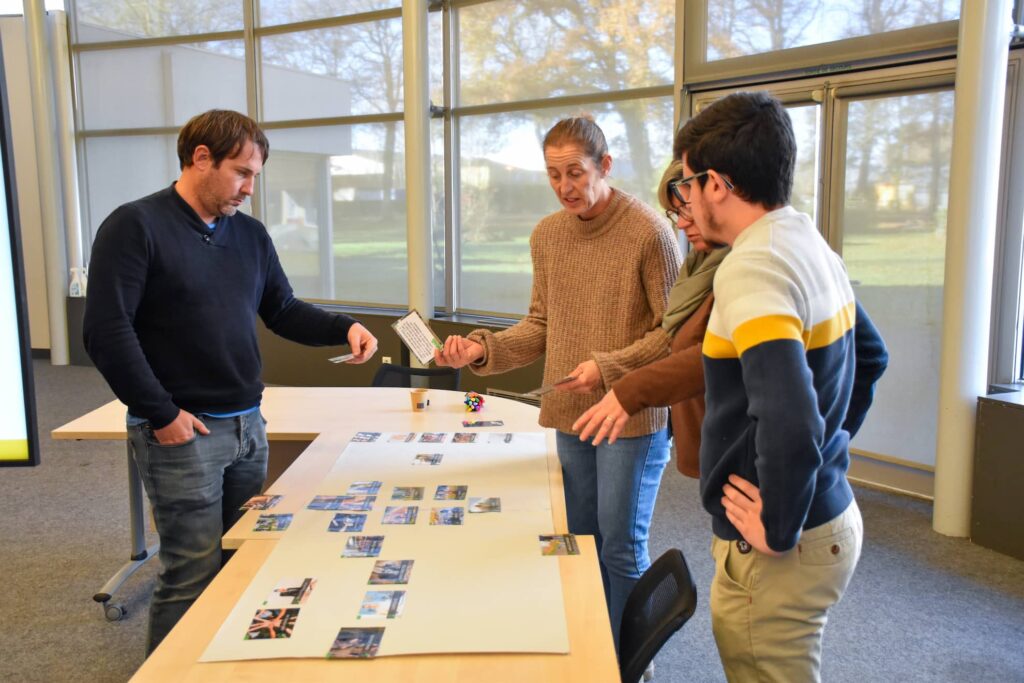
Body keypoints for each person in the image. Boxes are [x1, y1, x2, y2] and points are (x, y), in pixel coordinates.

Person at [83, 109, 378, 654]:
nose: (249, 188)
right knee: (191, 575)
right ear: (201, 158)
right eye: (241, 173)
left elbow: (283, 310)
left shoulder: (249, 234)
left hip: (247, 427)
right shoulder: (135, 225)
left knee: (241, 562)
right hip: (182, 433)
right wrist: (161, 414)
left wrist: (346, 327)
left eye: (255, 176)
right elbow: (105, 331)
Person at [434, 116, 681, 649]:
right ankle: (591, 644)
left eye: (575, 172)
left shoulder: (650, 232)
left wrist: (607, 366)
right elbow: (542, 324)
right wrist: (484, 348)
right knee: (582, 539)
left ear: (605, 166)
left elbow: (674, 335)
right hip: (570, 415)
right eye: (553, 175)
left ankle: (626, 655)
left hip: (629, 418)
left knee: (620, 548)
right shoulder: (547, 235)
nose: (565, 186)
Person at [673, 91, 889, 682]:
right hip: (830, 514)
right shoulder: (808, 244)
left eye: (687, 184)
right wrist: (825, 458)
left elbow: (789, 417)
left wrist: (780, 521)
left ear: (717, 183)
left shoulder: (753, 266)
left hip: (787, 547)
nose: (686, 199)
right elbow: (871, 358)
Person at [572, 160, 728, 481]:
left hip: (745, 461)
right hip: (715, 449)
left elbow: (713, 356)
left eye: (687, 209)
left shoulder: (745, 266)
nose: (682, 224)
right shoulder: (697, 263)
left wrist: (824, 453)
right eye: (676, 213)